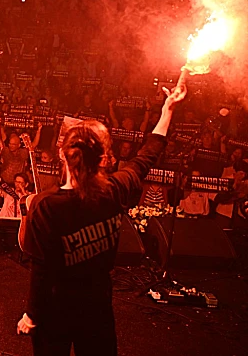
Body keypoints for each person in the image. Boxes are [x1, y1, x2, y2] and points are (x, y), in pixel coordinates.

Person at [16, 81, 186, 355]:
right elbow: (147, 157)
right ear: (102, 157)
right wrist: (167, 111)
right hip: (97, 304)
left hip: (56, 307)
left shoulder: (45, 206)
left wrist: (31, 315)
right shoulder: (115, 190)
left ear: (62, 154)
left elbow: (42, 271)